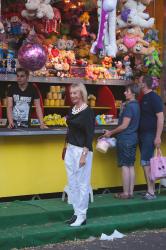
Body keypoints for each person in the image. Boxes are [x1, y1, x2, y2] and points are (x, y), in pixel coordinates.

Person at [64, 83, 95, 227]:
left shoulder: (88, 112)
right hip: (70, 149)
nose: (72, 96)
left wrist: (84, 154)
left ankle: (82, 215)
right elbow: (70, 130)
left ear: (82, 93)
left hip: (82, 150)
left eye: (75, 93)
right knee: (72, 183)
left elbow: (89, 135)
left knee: (82, 184)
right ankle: (76, 212)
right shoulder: (72, 109)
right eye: (71, 93)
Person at [103, 83, 140, 199]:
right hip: (133, 138)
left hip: (125, 139)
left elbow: (124, 126)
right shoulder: (136, 105)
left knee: (125, 165)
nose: (124, 93)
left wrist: (110, 132)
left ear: (133, 93)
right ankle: (130, 192)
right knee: (130, 166)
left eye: (127, 91)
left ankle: (125, 193)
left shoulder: (129, 107)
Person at [138, 74, 164, 200]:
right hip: (142, 134)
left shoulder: (154, 98)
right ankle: (149, 189)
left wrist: (158, 136)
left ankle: (151, 191)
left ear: (144, 83)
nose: (138, 84)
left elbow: (160, 117)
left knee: (146, 162)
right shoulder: (143, 98)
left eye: (139, 82)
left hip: (150, 134)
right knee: (145, 163)